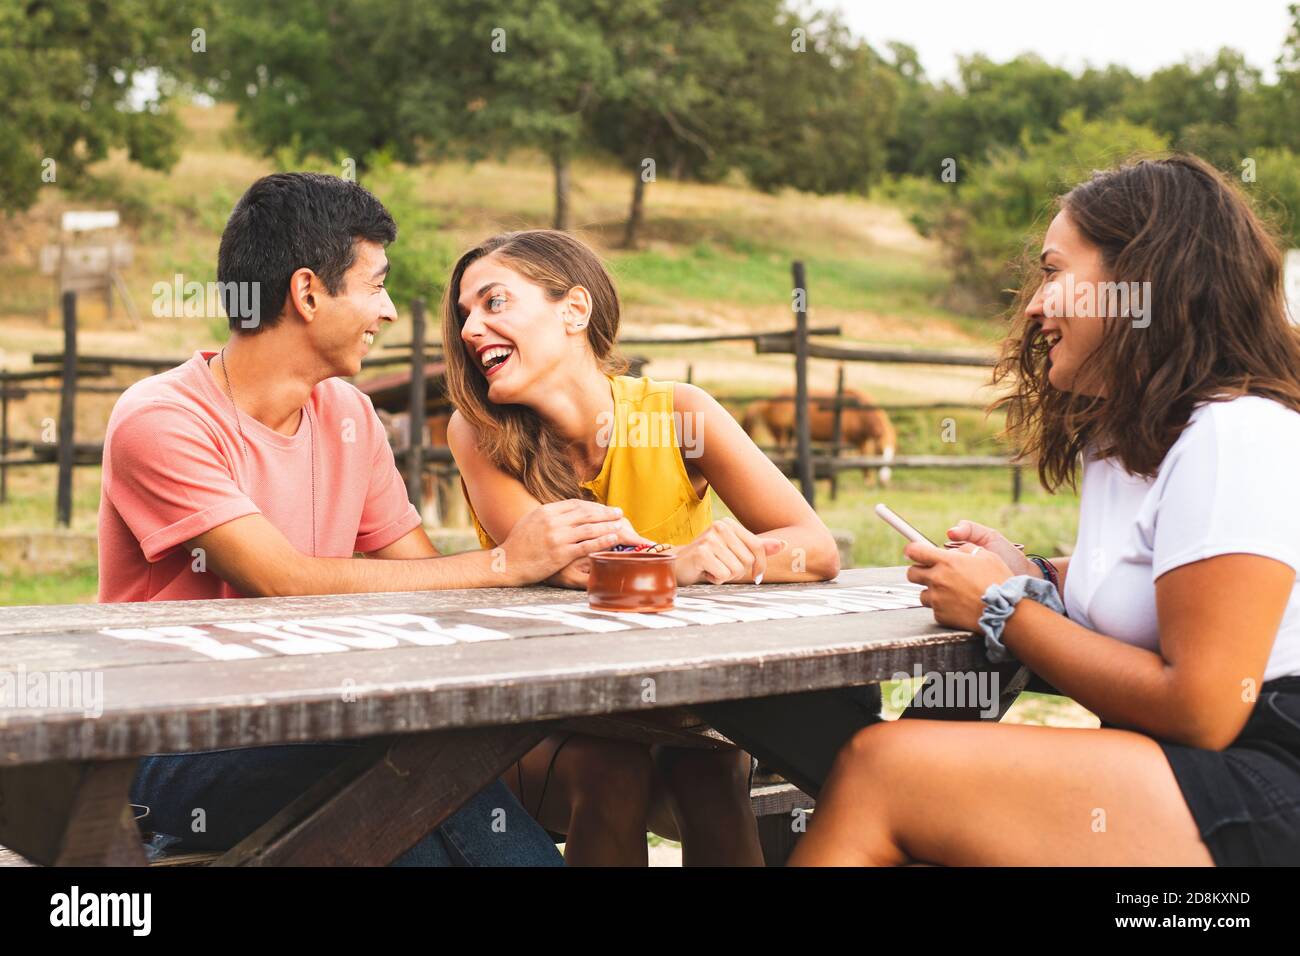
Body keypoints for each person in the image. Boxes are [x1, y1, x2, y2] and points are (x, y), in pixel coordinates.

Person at [101, 173, 642, 866]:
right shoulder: (162, 419)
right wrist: (510, 561)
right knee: (398, 750)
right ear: (307, 293)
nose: (387, 311)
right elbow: (283, 578)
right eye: (375, 285)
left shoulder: (348, 417)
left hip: (322, 720)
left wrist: (559, 562)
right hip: (169, 750)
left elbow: (420, 573)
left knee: (406, 794)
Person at [790, 155, 1300, 867]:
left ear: (1137, 285)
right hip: (1190, 778)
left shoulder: (1235, 434)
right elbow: (1162, 589)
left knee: (883, 769)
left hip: (1267, 786)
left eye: (1054, 272)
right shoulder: (1129, 441)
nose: (1033, 304)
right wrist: (1030, 571)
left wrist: (1003, 608)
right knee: (891, 776)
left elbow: (1202, 709)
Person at [442, 229, 842, 865]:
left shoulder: (680, 413)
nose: (469, 329)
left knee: (710, 768)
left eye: (493, 303)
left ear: (574, 310)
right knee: (613, 771)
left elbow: (815, 549)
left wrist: (736, 561)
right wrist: (678, 562)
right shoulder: (477, 432)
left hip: (676, 702)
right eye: (464, 314)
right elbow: (567, 564)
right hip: (540, 715)